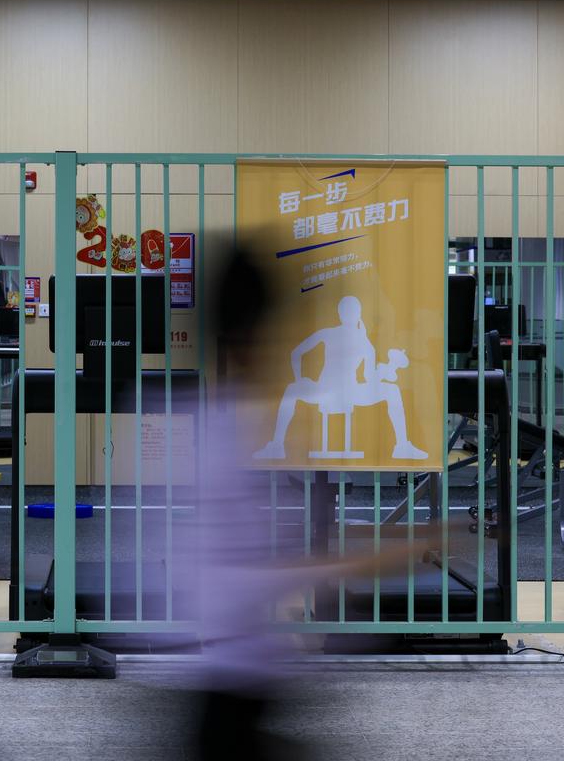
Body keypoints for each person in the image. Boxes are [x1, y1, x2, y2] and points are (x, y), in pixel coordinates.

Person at [186, 241, 440, 760]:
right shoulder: (223, 437)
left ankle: (403, 441)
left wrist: (387, 370)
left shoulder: (356, 339)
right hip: (230, 686)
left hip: (246, 682)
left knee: (390, 393)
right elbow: (236, 580)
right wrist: (365, 561)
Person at [253, 294, 426, 461]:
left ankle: (277, 446)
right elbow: (369, 378)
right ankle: (402, 446)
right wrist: (384, 373)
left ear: (340, 314)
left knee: (292, 389)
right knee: (392, 390)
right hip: (349, 392)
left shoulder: (330, 334)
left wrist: (300, 379)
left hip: (324, 391)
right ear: (358, 315)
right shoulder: (365, 343)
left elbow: (296, 354)